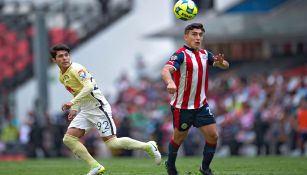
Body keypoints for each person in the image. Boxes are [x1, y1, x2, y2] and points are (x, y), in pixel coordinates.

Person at [50, 44, 161, 175]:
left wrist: (72, 103)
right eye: (60, 56)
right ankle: (95, 166)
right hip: (86, 110)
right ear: (54, 60)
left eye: (66, 55)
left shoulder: (76, 69)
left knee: (112, 143)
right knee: (69, 139)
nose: (64, 58)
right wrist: (74, 108)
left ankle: (148, 146)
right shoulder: (62, 76)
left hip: (98, 108)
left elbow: (89, 87)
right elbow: (76, 92)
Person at [161, 23, 229, 175]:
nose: (198, 37)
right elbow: (166, 70)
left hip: (201, 106)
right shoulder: (180, 54)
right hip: (182, 107)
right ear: (186, 37)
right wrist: (170, 81)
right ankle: (170, 164)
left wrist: (220, 63)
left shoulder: (206, 54)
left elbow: (225, 65)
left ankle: (205, 168)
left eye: (200, 34)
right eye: (194, 34)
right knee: (178, 138)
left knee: (213, 135)